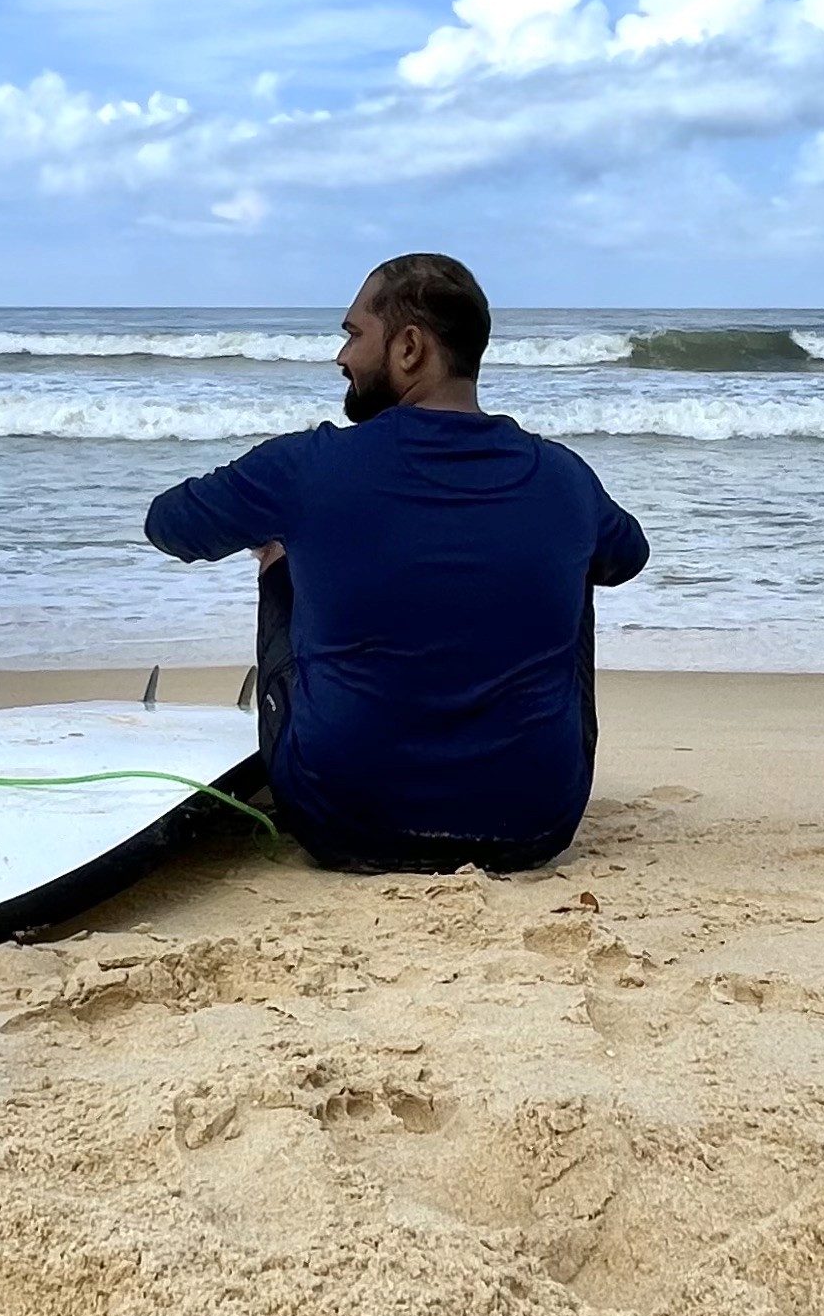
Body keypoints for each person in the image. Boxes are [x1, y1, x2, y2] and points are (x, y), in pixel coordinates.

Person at [143, 253, 650, 871]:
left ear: (410, 348)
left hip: (340, 822)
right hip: (534, 824)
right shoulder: (564, 477)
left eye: (354, 335)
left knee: (282, 550)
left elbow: (168, 524)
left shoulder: (309, 467)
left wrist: (282, 542)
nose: (342, 358)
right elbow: (627, 556)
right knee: (580, 555)